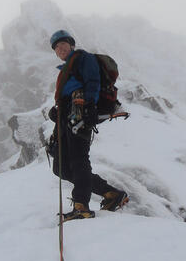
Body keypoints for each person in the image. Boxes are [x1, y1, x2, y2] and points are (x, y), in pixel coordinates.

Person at [48, 30, 128, 222]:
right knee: (61, 168)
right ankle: (110, 193)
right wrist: (57, 112)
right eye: (57, 48)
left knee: (78, 160)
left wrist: (89, 106)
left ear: (71, 45)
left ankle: (81, 206)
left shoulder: (84, 58)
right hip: (68, 114)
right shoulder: (66, 69)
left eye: (63, 45)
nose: (60, 49)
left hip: (80, 111)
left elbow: (93, 81)